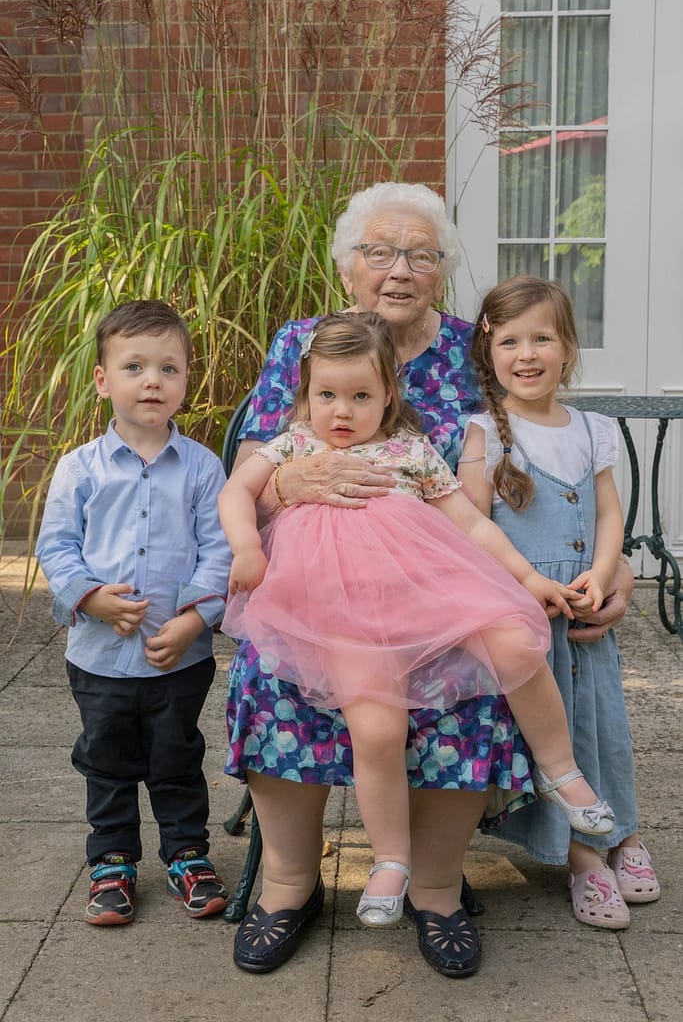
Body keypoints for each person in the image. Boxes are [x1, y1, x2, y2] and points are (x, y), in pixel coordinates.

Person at [223, 182, 632, 977]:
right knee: (274, 676)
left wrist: (599, 561)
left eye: (420, 254)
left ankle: (435, 888)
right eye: (379, 252)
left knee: (476, 677)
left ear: (442, 269)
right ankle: (287, 883)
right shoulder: (304, 342)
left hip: (438, 581)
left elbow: (541, 448)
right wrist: (292, 483)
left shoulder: (475, 349)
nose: (399, 269)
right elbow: (250, 471)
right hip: (320, 587)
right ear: (346, 268)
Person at [457, 275, 660, 930]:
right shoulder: (483, 435)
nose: (527, 354)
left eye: (542, 338)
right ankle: (580, 857)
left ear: (568, 348)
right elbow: (470, 528)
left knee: (604, 728)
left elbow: (609, 514)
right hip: (526, 618)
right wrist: (523, 584)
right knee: (555, 738)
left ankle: (623, 832)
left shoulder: (592, 429)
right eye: (510, 341)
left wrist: (601, 573)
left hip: (584, 608)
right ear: (488, 353)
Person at [36, 300, 232, 926]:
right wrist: (89, 597)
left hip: (179, 656)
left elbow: (219, 551)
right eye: (135, 367)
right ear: (103, 380)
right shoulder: (80, 468)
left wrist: (195, 619)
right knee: (106, 762)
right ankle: (112, 861)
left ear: (186, 380)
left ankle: (187, 855)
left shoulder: (201, 468)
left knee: (177, 758)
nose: (153, 381)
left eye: (169, 368)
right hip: (99, 658)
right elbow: (57, 547)